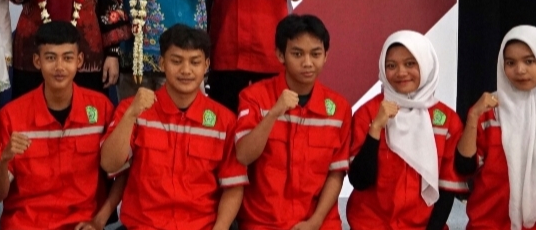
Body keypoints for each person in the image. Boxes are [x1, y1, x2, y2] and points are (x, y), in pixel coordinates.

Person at [100, 24, 246, 230]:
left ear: (206, 65)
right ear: (162, 63)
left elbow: (233, 185)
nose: (185, 70)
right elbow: (109, 163)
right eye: (176, 61)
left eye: (195, 62)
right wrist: (131, 114)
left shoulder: (225, 120)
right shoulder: (133, 108)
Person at [0, 21, 124, 230]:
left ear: (79, 61)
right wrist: (3, 160)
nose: (59, 67)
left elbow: (123, 172)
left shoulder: (101, 109)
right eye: (50, 58)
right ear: (37, 61)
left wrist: (99, 221)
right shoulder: (11, 116)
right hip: (27, 225)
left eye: (68, 58)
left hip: (81, 224)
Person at [234, 14, 351, 230]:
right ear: (281, 55)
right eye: (297, 54)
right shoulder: (254, 97)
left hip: (319, 223)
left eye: (315, 54)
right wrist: (273, 113)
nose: (307, 63)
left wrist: (315, 222)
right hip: (263, 223)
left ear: (326, 55)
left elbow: (336, 173)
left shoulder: (339, 108)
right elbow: (243, 155)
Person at [455, 25, 536, 230]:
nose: (519, 70)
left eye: (529, 61)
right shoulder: (488, 110)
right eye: (510, 62)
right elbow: (465, 168)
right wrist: (473, 116)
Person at [347, 30, 467, 230]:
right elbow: (359, 181)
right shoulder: (367, 114)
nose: (401, 73)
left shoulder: (447, 121)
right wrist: (376, 128)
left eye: (410, 64)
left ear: (426, 64)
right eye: (391, 66)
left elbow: (447, 187)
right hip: (370, 225)